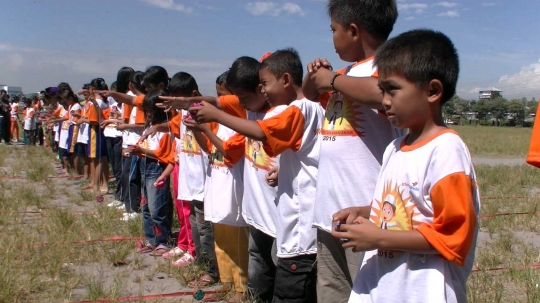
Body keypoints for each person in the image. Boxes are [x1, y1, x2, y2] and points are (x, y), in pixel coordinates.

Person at [331, 29, 480, 303]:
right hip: (385, 285)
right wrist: (366, 211)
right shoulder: (395, 148)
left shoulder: (446, 151)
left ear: (432, 91)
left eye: (392, 90)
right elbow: (406, 207)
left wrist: (378, 238)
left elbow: (453, 236)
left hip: (423, 290)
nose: (385, 100)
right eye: (382, 90)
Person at [192, 48, 323, 303]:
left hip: (292, 223)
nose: (263, 90)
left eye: (264, 83)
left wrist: (215, 119)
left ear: (285, 80)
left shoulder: (297, 110)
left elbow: (261, 133)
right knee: (262, 261)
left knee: (286, 281)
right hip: (266, 212)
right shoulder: (285, 110)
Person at [158, 55, 285, 301]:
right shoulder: (244, 113)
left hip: (257, 200)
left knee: (266, 258)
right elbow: (216, 108)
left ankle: (243, 290)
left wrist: (206, 125)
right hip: (249, 201)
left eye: (242, 97)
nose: (239, 103)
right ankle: (236, 287)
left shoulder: (266, 116)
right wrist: (192, 107)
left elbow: (228, 152)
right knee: (239, 248)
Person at [301, 1, 401, 301]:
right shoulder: (345, 74)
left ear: (354, 31)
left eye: (334, 30)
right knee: (332, 288)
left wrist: (332, 80)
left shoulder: (389, 67)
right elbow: (307, 96)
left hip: (365, 212)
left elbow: (383, 94)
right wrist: (315, 76)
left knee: (368, 288)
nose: (332, 37)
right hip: (329, 209)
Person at [130, 89, 175, 255]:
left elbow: (163, 154)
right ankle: (151, 239)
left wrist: (141, 150)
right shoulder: (149, 126)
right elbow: (144, 142)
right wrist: (136, 149)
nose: (147, 114)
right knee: (146, 206)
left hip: (156, 167)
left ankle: (163, 240)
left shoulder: (166, 128)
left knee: (157, 207)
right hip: (144, 165)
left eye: (150, 110)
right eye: (146, 110)